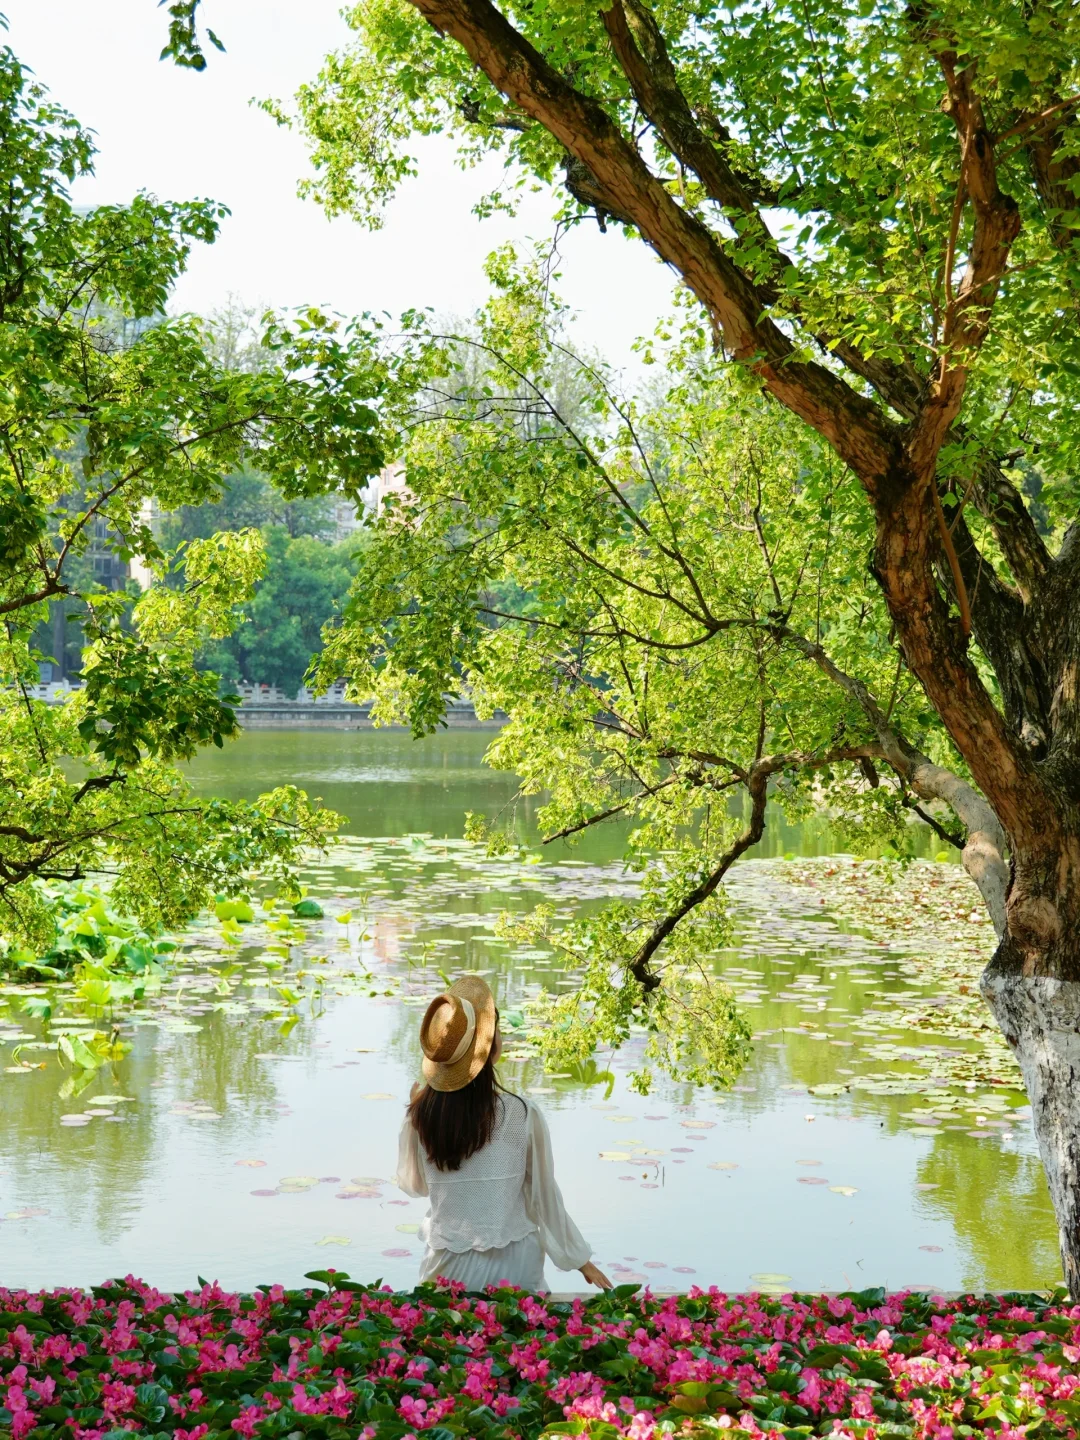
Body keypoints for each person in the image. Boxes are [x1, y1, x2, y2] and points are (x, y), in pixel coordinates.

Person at [395, 974, 612, 1293]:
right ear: (491, 1046)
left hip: (447, 1273)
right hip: (515, 1271)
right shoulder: (523, 1113)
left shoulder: (420, 1115)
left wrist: (413, 1115)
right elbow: (544, 1195)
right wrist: (579, 1259)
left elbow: (414, 1186)